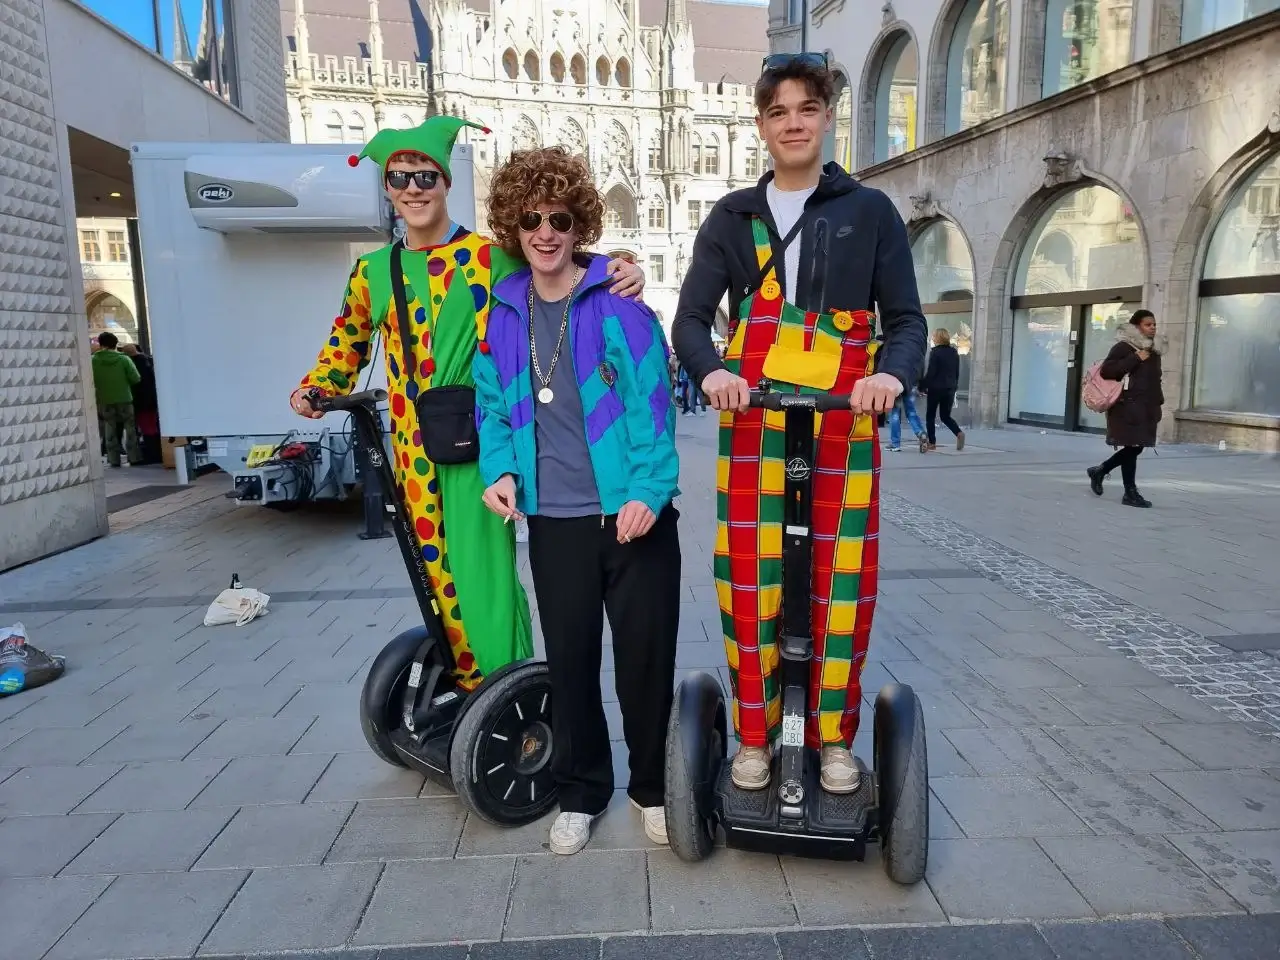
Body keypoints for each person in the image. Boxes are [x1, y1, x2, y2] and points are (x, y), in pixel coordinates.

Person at [289, 117, 646, 690]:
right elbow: (345, 344)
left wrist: (622, 267)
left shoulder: (490, 257)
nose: (413, 188)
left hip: (484, 442)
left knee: (485, 577)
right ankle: (469, 685)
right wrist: (316, 387)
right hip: (413, 448)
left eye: (424, 175)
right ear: (386, 187)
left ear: (444, 182)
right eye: (399, 177)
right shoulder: (372, 271)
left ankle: (509, 691)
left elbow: (561, 256)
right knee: (435, 577)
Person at [671, 52, 928, 794]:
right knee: (749, 578)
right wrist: (713, 371)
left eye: (806, 109)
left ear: (826, 118)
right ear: (760, 125)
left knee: (842, 579)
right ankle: (755, 733)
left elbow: (906, 321)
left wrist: (889, 374)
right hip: (755, 421)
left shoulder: (869, 212)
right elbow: (690, 320)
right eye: (778, 111)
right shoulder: (732, 217)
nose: (793, 123)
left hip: (846, 419)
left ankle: (833, 738)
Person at [473, 146, 681, 855]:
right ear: (513, 224)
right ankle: (581, 790)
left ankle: (651, 787)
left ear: (578, 221)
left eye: (559, 217)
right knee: (570, 664)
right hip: (556, 523)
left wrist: (651, 492)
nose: (545, 231)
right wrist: (499, 471)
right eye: (530, 218)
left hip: (633, 519)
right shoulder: (501, 313)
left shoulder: (617, 303)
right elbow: (492, 406)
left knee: (645, 665)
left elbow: (654, 402)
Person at [1087, 309, 1164, 508]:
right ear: (1137, 327)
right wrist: (1136, 358)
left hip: (1146, 408)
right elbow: (1108, 371)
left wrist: (1158, 405)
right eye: (1148, 324)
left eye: (1154, 324)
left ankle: (1101, 471)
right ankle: (1129, 492)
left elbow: (1155, 380)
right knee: (1133, 447)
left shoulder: (1154, 351)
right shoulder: (1124, 347)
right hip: (1126, 407)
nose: (1153, 327)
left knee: (1135, 448)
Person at [91, 332, 142, 468]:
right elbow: (135, 378)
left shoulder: (93, 360)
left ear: (101, 344)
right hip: (124, 398)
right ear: (115, 343)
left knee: (110, 427)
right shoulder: (124, 359)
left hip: (104, 399)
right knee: (130, 428)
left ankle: (113, 459)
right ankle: (134, 457)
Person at [920, 327, 964, 451]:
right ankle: (959, 433)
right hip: (950, 388)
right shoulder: (954, 352)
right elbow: (956, 372)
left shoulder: (935, 352)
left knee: (930, 416)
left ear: (937, 338)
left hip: (936, 388)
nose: (932, 338)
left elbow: (931, 372)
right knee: (945, 416)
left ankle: (932, 443)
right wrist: (954, 386)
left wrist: (922, 386)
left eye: (934, 336)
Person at [887, 386, 927, 453]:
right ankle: (920, 432)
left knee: (895, 414)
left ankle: (895, 444)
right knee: (911, 412)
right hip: (909, 385)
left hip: (896, 385)